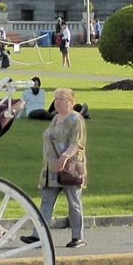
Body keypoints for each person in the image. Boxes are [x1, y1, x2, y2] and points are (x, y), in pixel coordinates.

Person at [25, 87, 86, 248]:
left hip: (69, 168)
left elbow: (76, 142)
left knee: (74, 202)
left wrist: (65, 157)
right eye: (56, 99)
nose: (57, 102)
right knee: (46, 202)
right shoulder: (55, 118)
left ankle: (77, 237)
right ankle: (38, 236)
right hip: (51, 169)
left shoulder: (76, 119)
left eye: (61, 99)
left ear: (70, 102)